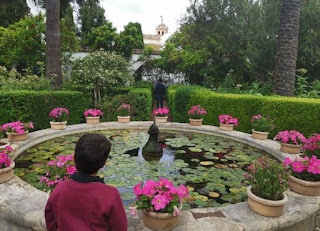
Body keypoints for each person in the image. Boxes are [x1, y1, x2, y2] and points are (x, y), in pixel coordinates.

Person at [45, 133, 127, 231]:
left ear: (73, 157)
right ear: (104, 164)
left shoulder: (60, 188)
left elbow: (51, 221)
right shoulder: (110, 194)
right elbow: (120, 227)